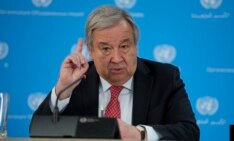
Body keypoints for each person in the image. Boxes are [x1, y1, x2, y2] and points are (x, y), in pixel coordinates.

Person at [32, 5, 200, 140]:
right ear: (90, 51)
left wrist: (140, 134)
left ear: (136, 46)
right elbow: (38, 130)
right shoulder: (77, 79)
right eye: (105, 48)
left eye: (125, 46)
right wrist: (63, 89)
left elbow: (190, 133)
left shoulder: (165, 77)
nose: (117, 58)